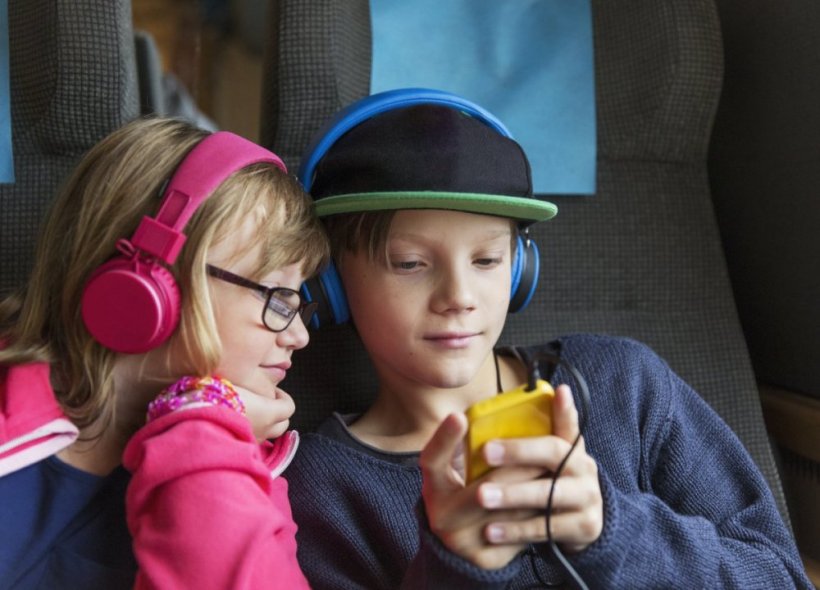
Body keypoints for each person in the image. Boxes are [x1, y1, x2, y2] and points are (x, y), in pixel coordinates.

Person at [284, 90, 813, 589]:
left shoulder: (623, 386)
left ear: (520, 270)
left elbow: (779, 576)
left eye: (487, 259)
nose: (459, 296)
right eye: (410, 263)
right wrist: (457, 569)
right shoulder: (324, 490)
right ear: (330, 283)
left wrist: (614, 532)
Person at [0, 117, 328, 589]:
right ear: (147, 284)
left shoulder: (247, 471)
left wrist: (206, 422)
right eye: (277, 297)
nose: (298, 335)